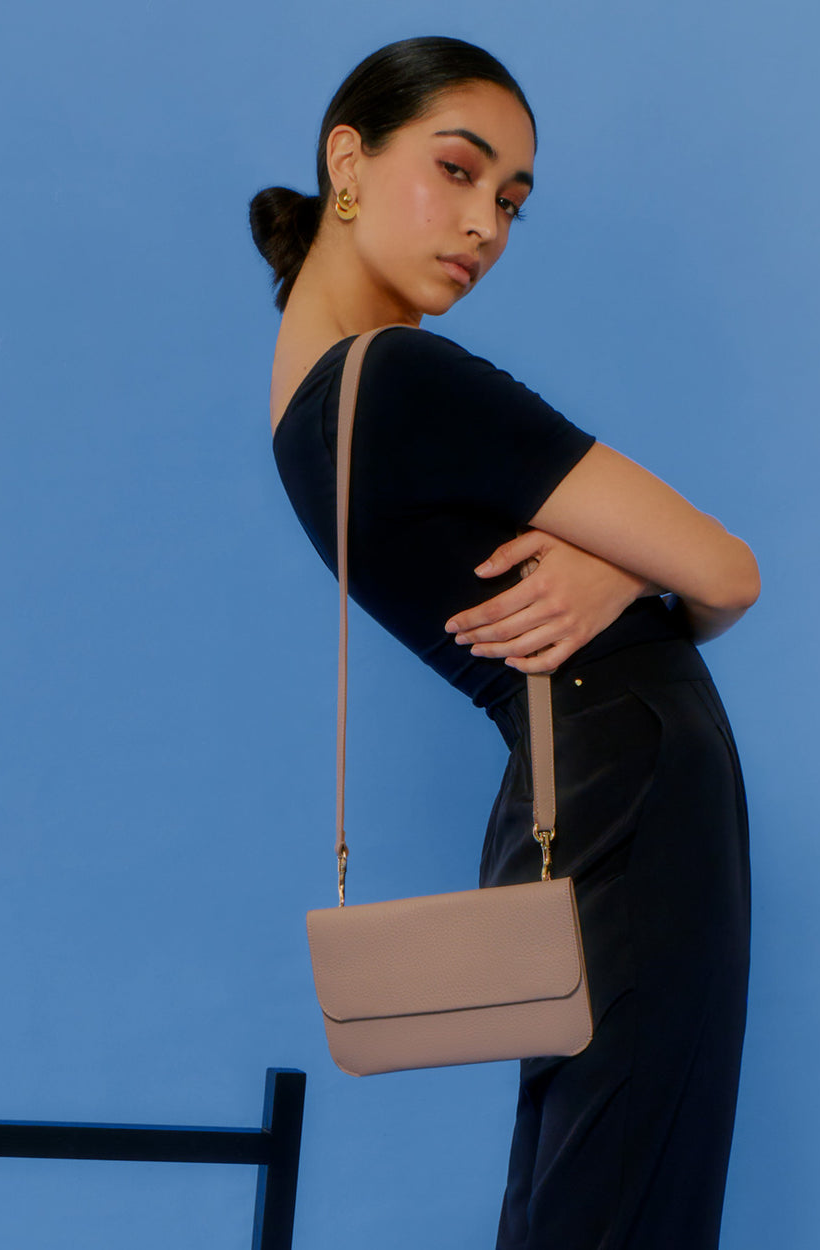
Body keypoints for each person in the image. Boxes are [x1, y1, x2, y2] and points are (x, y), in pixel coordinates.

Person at [249, 35, 760, 1250]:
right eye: (459, 170)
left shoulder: (300, 407)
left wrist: (616, 567)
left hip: (570, 787)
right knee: (622, 1185)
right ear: (349, 161)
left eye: (512, 201)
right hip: (631, 778)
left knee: (580, 1180)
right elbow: (731, 572)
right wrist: (637, 563)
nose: (484, 224)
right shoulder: (405, 374)